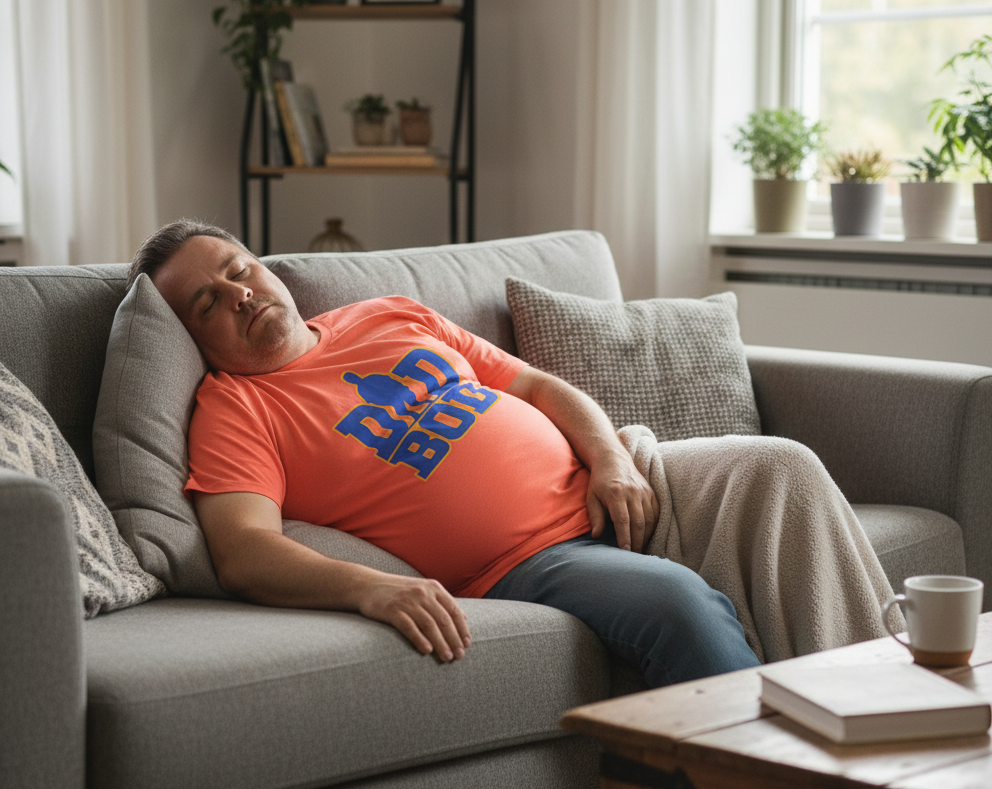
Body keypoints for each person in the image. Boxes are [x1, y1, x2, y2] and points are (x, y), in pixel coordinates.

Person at [130, 219, 761, 689]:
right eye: (207, 303)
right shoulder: (235, 409)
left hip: (620, 477)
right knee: (680, 606)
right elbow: (244, 550)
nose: (238, 295)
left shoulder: (386, 315)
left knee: (777, 468)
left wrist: (611, 459)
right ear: (190, 338)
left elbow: (536, 386)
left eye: (239, 271)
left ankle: (823, 751)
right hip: (534, 557)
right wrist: (370, 589)